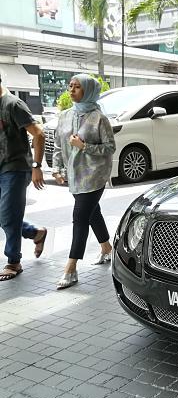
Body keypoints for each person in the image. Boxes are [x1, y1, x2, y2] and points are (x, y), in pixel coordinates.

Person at [52, 74, 115, 289]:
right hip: (74, 175)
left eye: (77, 87)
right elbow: (59, 144)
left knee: (79, 217)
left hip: (95, 174)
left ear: (87, 91)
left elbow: (109, 148)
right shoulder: (65, 116)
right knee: (91, 212)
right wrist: (57, 168)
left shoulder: (99, 118)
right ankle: (107, 248)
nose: (71, 90)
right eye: (70, 86)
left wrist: (84, 146)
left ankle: (71, 268)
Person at [0, 75, 48, 281]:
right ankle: (35, 232)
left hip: (16, 168)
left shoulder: (13, 104)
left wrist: (37, 166)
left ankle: (14, 261)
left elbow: (39, 134)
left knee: (9, 216)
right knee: (4, 216)